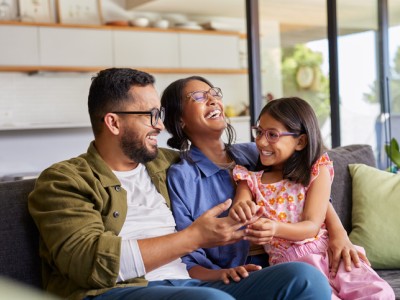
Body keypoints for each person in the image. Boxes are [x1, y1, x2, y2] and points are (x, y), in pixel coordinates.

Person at [28, 68, 331, 300]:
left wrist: (337, 234)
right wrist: (195, 237)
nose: (160, 125)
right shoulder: (62, 181)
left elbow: (302, 176)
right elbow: (89, 263)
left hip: (191, 283)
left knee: (305, 278)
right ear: (113, 122)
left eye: (159, 114)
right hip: (120, 290)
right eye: (150, 116)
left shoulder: (166, 163)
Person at [161, 76, 369, 284]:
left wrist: (339, 234)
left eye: (214, 93)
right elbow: (186, 254)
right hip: (245, 274)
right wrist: (220, 274)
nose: (213, 100)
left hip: (302, 254)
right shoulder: (183, 176)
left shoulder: (256, 152)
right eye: (198, 97)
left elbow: (308, 190)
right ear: (180, 119)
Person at [229, 97, 395, 299]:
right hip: (291, 267)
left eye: (272, 135)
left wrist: (275, 229)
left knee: (379, 293)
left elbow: (312, 226)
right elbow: (241, 204)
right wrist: (241, 209)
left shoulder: (316, 171)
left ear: (300, 141)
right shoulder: (250, 179)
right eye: (259, 132)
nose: (261, 141)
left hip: (330, 254)